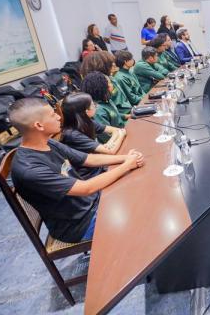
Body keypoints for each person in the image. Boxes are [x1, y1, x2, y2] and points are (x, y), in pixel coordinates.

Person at [8, 98, 143, 243]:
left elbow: (88, 159)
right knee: (140, 213)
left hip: (91, 202)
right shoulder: (29, 169)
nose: (59, 117)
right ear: (39, 125)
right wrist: (127, 165)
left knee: (139, 191)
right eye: (53, 115)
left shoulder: (48, 142)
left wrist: (125, 158)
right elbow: (86, 188)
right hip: (79, 224)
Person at [61, 92, 127, 180]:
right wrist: (121, 134)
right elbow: (111, 151)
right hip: (91, 175)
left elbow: (115, 130)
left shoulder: (87, 121)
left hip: (101, 165)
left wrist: (109, 143)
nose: (96, 106)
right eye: (92, 104)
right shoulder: (72, 135)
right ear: (86, 111)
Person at [80, 51, 132, 120]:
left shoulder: (111, 78)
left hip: (125, 114)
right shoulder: (98, 87)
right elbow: (109, 111)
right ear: (101, 66)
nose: (114, 65)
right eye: (110, 64)